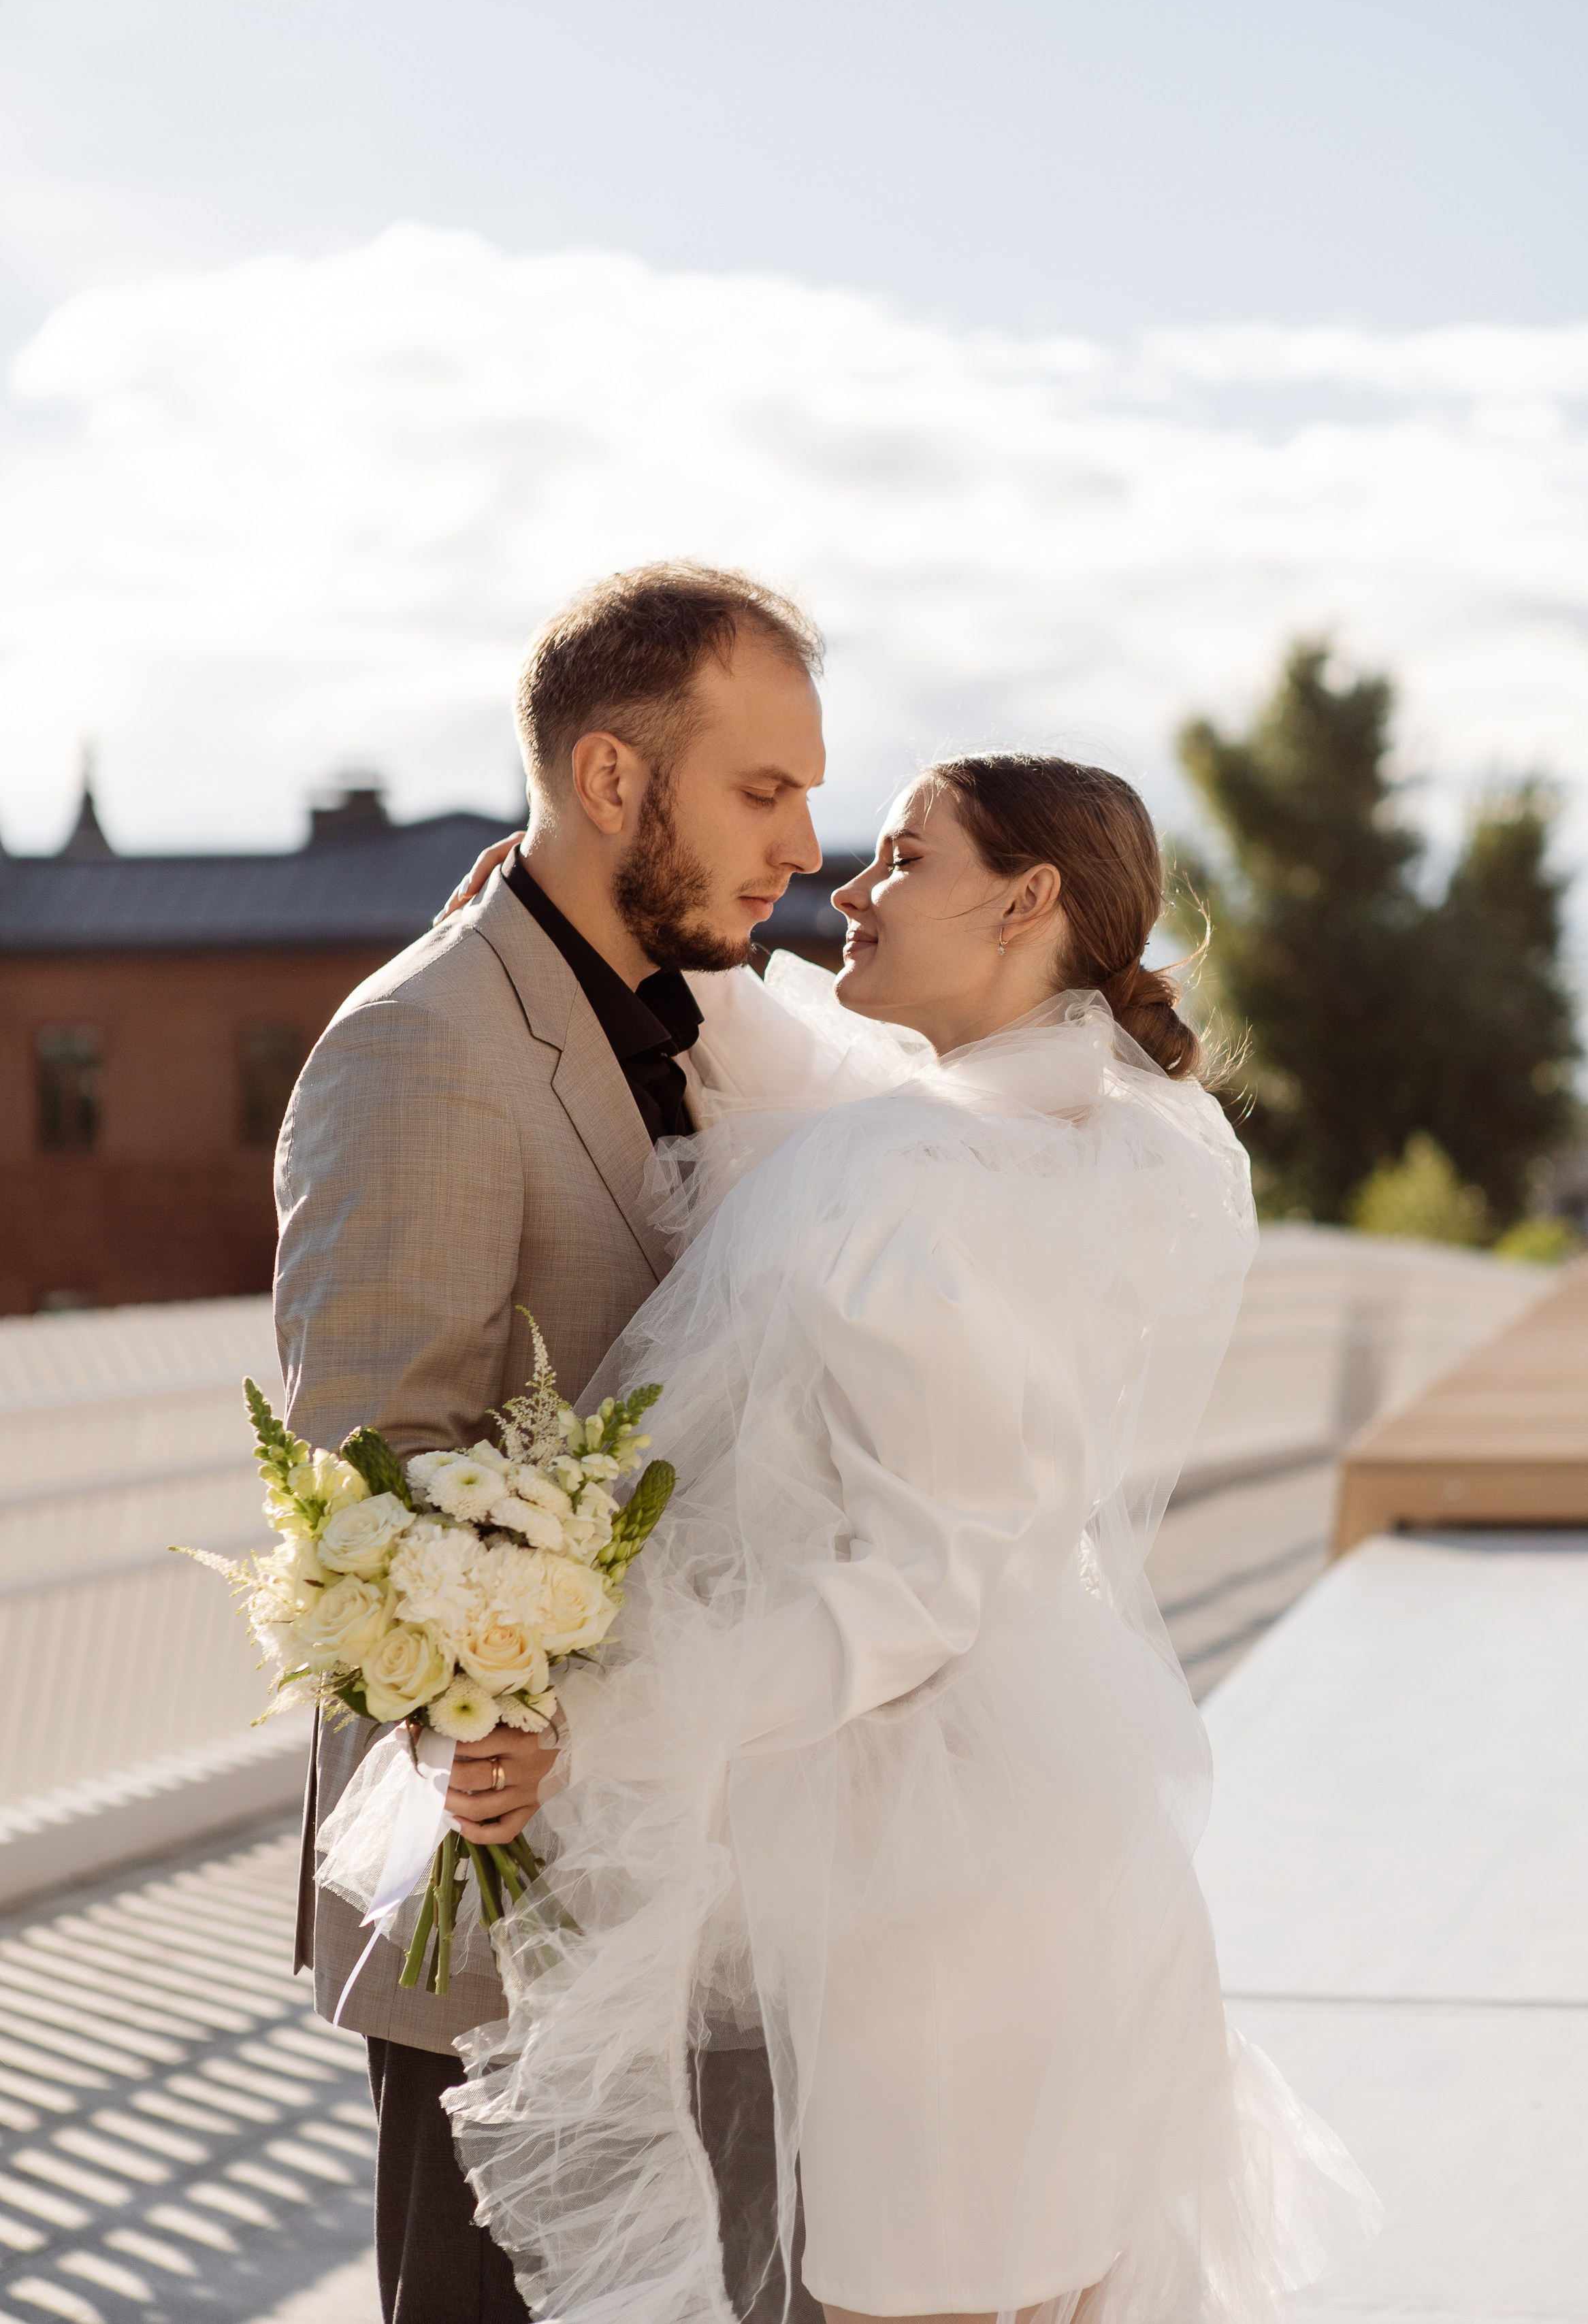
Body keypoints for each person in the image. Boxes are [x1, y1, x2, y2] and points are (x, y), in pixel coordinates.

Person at [428, 753, 1380, 2323]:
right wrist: (557, 908)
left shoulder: (930, 1184)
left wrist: (601, 1724)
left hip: (949, 1907)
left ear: (1026, 899)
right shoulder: (1041, 1126)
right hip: (1035, 1841)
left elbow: (922, 1585)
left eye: (898, 855)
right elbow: (801, 1045)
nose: (848, 892)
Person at [272, 561, 828, 2324]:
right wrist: (499, 1724)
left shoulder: (726, 1016)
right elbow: (370, 1479)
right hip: (499, 1921)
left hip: (701, 1869)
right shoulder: (421, 1047)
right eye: (762, 788)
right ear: (609, 780)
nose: (805, 840)